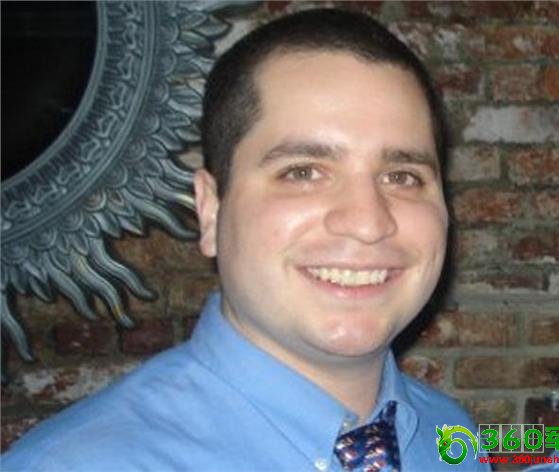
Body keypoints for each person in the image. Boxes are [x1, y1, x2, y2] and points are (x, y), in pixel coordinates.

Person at [2, 9, 490, 471]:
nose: (367, 222)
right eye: (303, 172)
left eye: (402, 177)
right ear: (211, 210)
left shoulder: (451, 437)